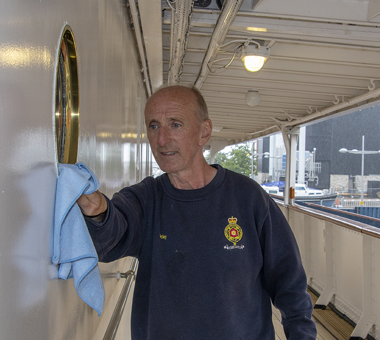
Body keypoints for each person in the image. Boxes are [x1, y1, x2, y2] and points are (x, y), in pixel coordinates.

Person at [78, 85, 317, 340]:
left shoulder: (248, 198)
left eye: (175, 124)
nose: (161, 140)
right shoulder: (146, 199)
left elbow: (289, 282)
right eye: (154, 126)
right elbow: (113, 235)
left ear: (204, 132)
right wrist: (98, 212)